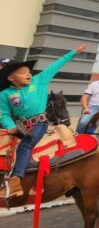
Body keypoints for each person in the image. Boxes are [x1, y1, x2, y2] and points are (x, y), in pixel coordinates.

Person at [0, 44, 87, 197]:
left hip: (38, 124)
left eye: (29, 72)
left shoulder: (39, 80)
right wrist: (11, 126)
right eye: (23, 72)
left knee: (25, 146)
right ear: (11, 78)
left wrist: (73, 52)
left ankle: (16, 181)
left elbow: (56, 65)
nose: (28, 74)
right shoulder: (4, 94)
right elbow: (4, 114)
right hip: (20, 126)